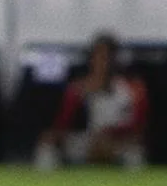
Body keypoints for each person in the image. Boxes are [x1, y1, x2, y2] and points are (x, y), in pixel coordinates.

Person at [35, 32, 148, 170]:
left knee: (135, 154)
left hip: (118, 142)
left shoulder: (132, 88)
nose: (103, 63)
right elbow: (63, 124)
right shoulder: (78, 88)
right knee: (46, 147)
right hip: (88, 141)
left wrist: (112, 137)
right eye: (98, 57)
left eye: (107, 57)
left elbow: (138, 127)